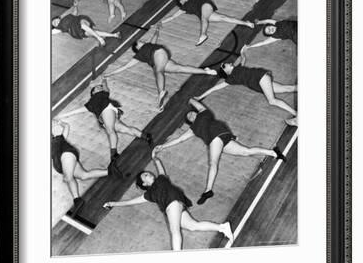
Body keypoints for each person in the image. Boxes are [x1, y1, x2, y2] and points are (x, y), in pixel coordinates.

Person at [152, 98, 286, 205]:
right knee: (246, 151)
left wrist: (189, 99)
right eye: (189, 116)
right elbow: (180, 139)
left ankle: (208, 190)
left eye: (192, 112)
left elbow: (195, 102)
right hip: (221, 138)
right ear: (189, 122)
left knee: (213, 163)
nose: (191, 114)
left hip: (216, 136)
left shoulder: (204, 113)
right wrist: (164, 146)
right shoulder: (193, 129)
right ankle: (274, 152)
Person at [103, 155, 233, 250]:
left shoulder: (161, 179)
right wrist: (113, 203)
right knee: (193, 226)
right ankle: (222, 227)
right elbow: (130, 202)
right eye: (146, 176)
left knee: (174, 231)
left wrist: (155, 158)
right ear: (144, 184)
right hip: (174, 205)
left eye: (148, 173)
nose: (149, 174)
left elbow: (159, 167)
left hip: (173, 202)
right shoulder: (149, 194)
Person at [56, 78, 152, 178]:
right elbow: (78, 110)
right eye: (97, 88)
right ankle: (146, 136)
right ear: (93, 92)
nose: (99, 88)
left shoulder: (101, 95)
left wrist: (103, 81)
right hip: (109, 111)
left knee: (110, 131)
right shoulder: (93, 101)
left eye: (100, 87)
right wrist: (64, 115)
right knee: (125, 129)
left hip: (106, 109)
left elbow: (105, 86)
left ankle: (114, 154)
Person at [104, 25, 216, 111]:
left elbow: (154, 38)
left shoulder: (148, 46)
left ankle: (161, 93)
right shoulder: (139, 55)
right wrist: (110, 73)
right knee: (179, 68)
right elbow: (125, 66)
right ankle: (205, 71)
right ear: (137, 48)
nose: (142, 41)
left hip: (159, 53)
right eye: (139, 42)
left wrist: (157, 29)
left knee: (158, 71)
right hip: (160, 58)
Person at [197, 53, 297, 125]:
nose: (226, 63)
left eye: (224, 64)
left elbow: (242, 59)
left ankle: (296, 115)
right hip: (262, 79)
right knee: (286, 88)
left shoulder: (236, 70)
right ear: (226, 71)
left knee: (272, 101)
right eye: (224, 65)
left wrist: (242, 52)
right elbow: (215, 88)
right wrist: (201, 96)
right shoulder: (232, 78)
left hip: (260, 78)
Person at [51, 119, 108, 210]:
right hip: (66, 157)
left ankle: (77, 200)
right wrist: (58, 122)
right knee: (83, 176)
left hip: (66, 155)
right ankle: (111, 171)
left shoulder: (58, 139)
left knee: (68, 178)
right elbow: (67, 126)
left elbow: (66, 126)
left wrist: (57, 122)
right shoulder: (60, 138)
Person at [161, 0, 254, 46]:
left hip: (205, 4)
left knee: (203, 19)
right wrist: (160, 22)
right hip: (203, 11)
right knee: (224, 18)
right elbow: (172, 17)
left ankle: (203, 35)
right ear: (181, 1)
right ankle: (246, 23)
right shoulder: (183, 9)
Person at [51, 2, 121, 47]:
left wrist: (75, 6)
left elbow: (75, 13)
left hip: (79, 20)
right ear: (55, 26)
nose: (56, 23)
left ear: (58, 18)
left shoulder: (67, 17)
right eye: (54, 24)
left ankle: (99, 38)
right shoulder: (59, 28)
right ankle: (114, 35)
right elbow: (51, 32)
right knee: (94, 32)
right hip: (77, 31)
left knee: (83, 25)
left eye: (55, 21)